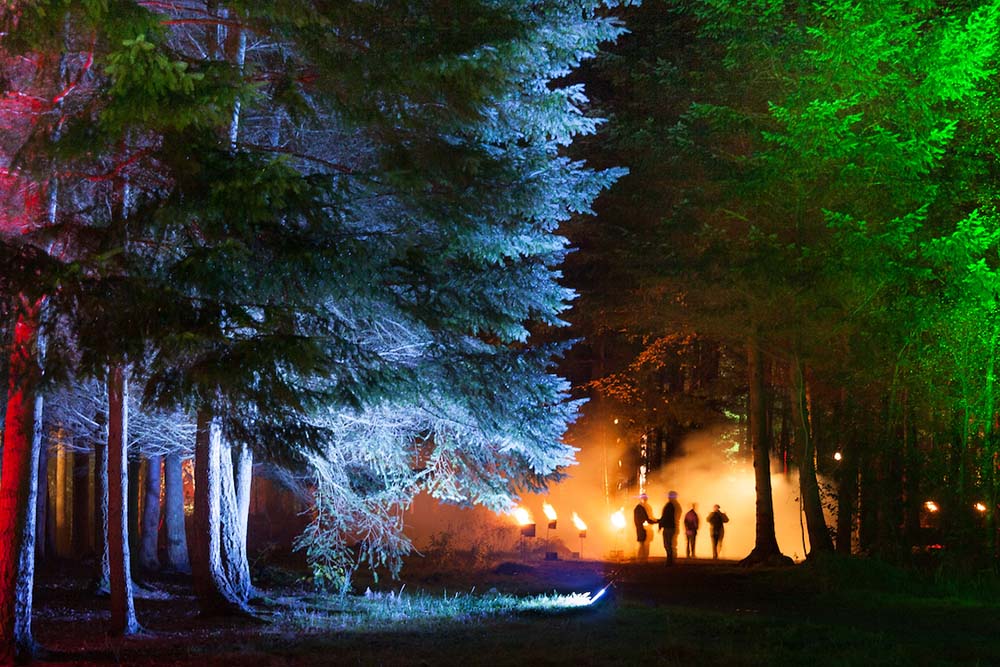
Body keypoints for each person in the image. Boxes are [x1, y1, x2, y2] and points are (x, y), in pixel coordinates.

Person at [632, 493, 657, 563]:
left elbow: (649, 517)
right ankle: (642, 558)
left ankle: (643, 558)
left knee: (644, 543)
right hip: (643, 528)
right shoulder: (641, 508)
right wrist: (657, 521)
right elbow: (648, 518)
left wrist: (655, 521)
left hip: (644, 528)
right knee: (643, 543)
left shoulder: (641, 507)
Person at [659, 491, 681, 565]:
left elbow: (666, 517)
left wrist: (660, 523)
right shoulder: (676, 505)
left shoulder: (670, 505)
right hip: (672, 527)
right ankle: (671, 559)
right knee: (670, 544)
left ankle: (670, 560)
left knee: (667, 544)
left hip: (668, 527)